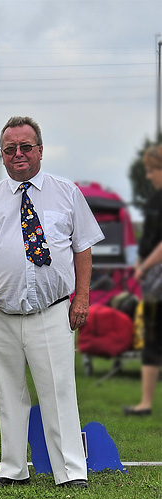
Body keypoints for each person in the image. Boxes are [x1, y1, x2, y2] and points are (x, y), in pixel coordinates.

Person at [0, 116, 104, 489]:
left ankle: (71, 473)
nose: (18, 154)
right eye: (10, 149)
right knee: (7, 392)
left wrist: (82, 298)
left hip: (53, 309)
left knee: (58, 390)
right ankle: (13, 469)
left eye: (25, 147)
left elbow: (82, 248)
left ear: (40, 150)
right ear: (2, 155)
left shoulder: (66, 192)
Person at [123, 145, 162, 416]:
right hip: (151, 278)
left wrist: (143, 266)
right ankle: (146, 403)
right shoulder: (153, 202)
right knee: (151, 337)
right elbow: (148, 241)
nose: (148, 176)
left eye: (152, 170)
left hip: (157, 275)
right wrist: (139, 264)